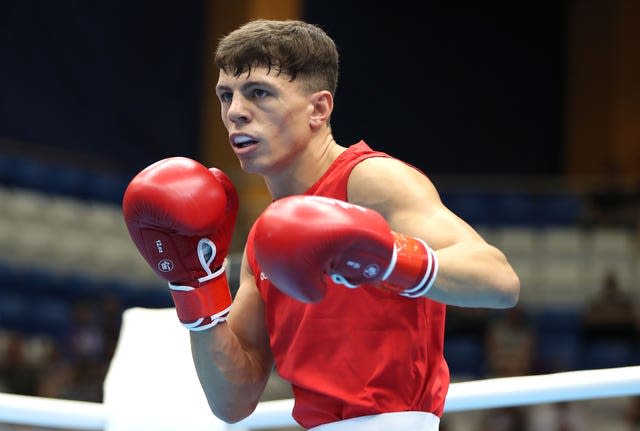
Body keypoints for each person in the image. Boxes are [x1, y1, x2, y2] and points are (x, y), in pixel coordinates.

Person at [122, 19, 520, 431]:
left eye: (258, 93)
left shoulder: (368, 181)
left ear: (319, 108)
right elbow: (232, 401)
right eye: (226, 95)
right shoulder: (266, 238)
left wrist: (386, 259)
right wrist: (195, 288)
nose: (235, 112)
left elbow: (500, 281)